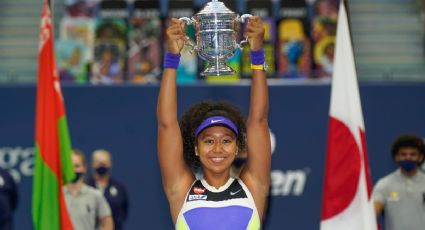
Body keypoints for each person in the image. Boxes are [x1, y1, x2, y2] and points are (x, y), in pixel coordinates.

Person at [157, 17, 270, 229]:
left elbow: (259, 120)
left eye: (226, 140)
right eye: (208, 141)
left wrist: (256, 54)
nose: (218, 148)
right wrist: (172, 57)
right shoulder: (181, 190)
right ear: (196, 148)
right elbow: (166, 124)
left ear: (237, 148)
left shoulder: (253, 186)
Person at [372, 134, 425, 230]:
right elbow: (373, 213)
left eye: (413, 154)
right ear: (396, 157)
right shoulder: (384, 184)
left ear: (420, 157)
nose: (408, 157)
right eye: (403, 154)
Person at [64, 149, 114, 230]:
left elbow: (107, 223)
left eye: (77, 166)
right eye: (70, 166)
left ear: (84, 168)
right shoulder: (57, 196)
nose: (73, 170)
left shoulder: (95, 195)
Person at [86, 149, 128, 230]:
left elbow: (124, 213)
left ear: (110, 164)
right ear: (92, 164)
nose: (101, 166)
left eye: (104, 163)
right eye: (98, 163)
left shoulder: (119, 188)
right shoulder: (86, 187)